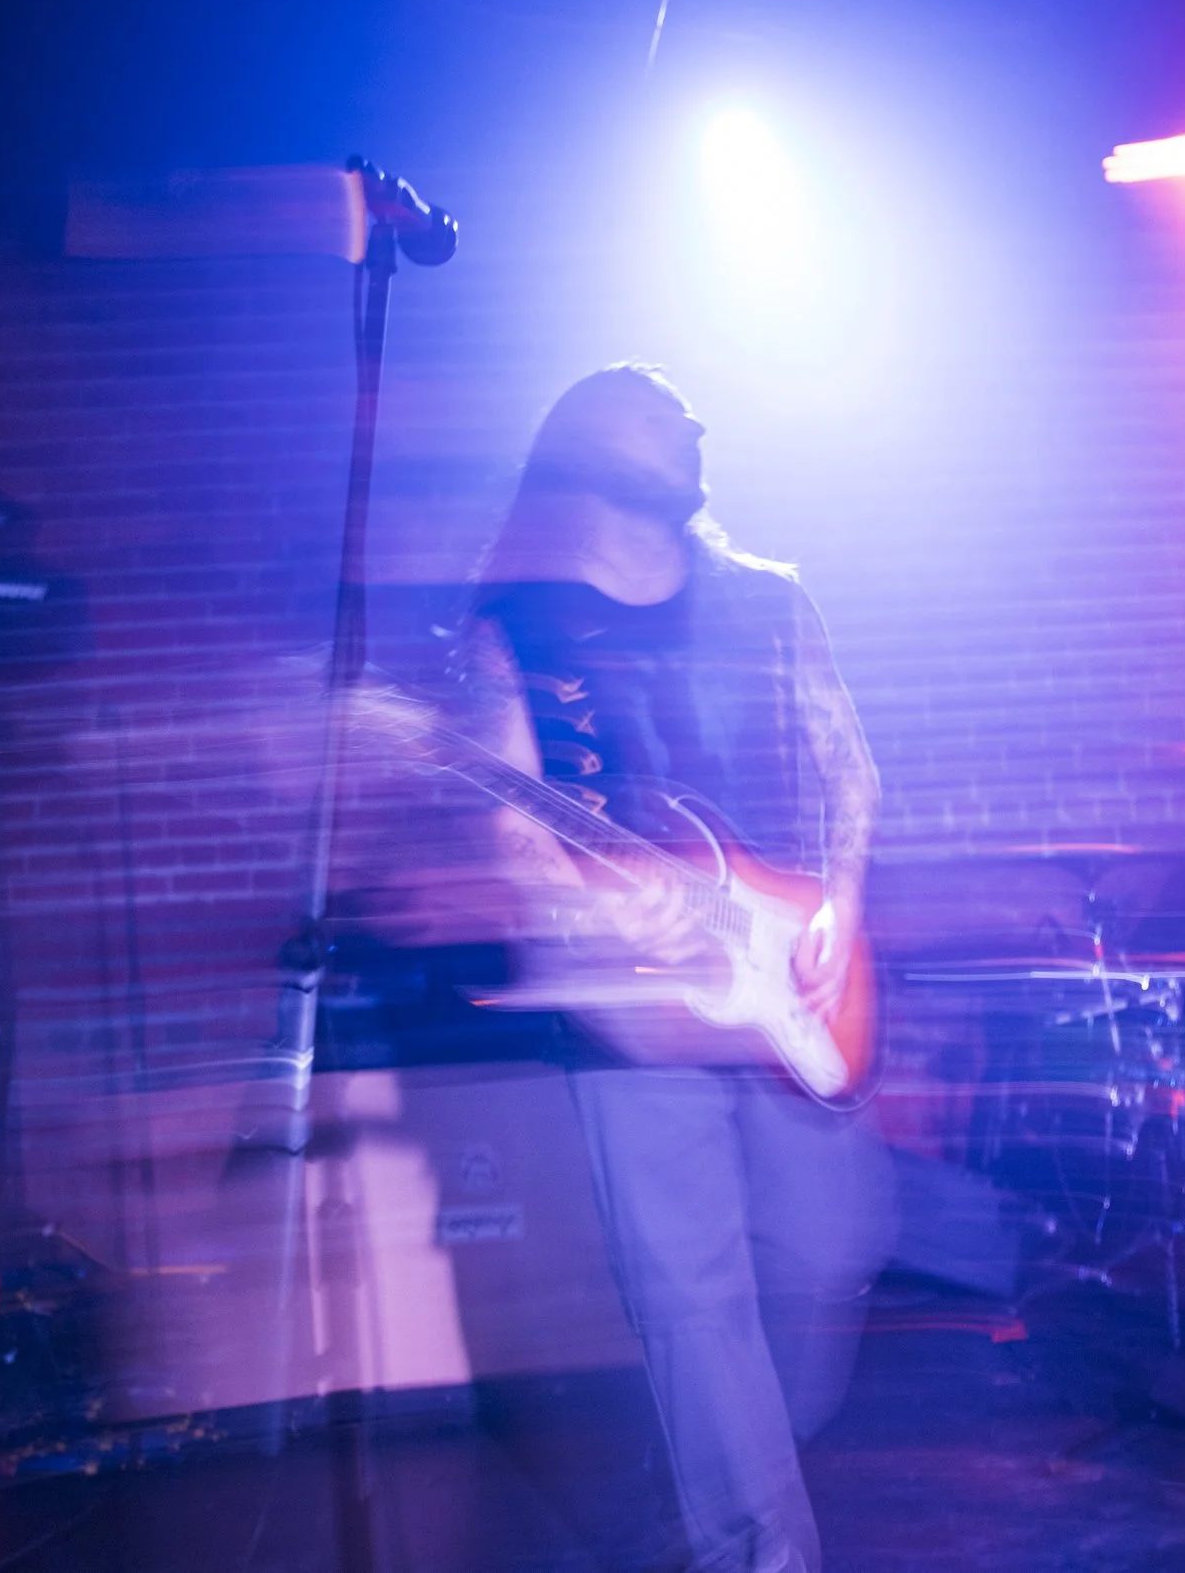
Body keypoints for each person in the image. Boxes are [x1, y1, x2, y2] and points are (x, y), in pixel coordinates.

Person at [453, 365, 895, 1573]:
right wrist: (597, 903)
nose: (692, 421)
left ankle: (722, 1467)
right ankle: (758, 1544)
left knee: (830, 1250)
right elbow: (514, 832)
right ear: (591, 447)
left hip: (788, 972)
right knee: (694, 1302)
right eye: (660, 408)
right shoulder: (516, 630)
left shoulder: (768, 599)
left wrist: (840, 898)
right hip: (635, 998)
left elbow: (847, 764)